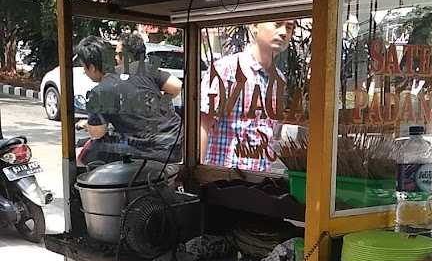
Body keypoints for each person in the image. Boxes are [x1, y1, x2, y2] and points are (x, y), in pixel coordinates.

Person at [200, 20, 296, 171]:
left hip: (261, 179)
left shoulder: (278, 79)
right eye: (277, 24)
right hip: (224, 180)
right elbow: (203, 125)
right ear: (254, 26)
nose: (284, 32)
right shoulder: (227, 68)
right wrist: (198, 175)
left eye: (289, 28)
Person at [76, 35, 183, 165]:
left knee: (84, 158)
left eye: (84, 68)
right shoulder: (140, 67)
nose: (84, 72)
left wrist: (86, 124)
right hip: (177, 143)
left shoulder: (98, 92)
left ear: (91, 67)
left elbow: (97, 133)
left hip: (148, 154)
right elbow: (176, 86)